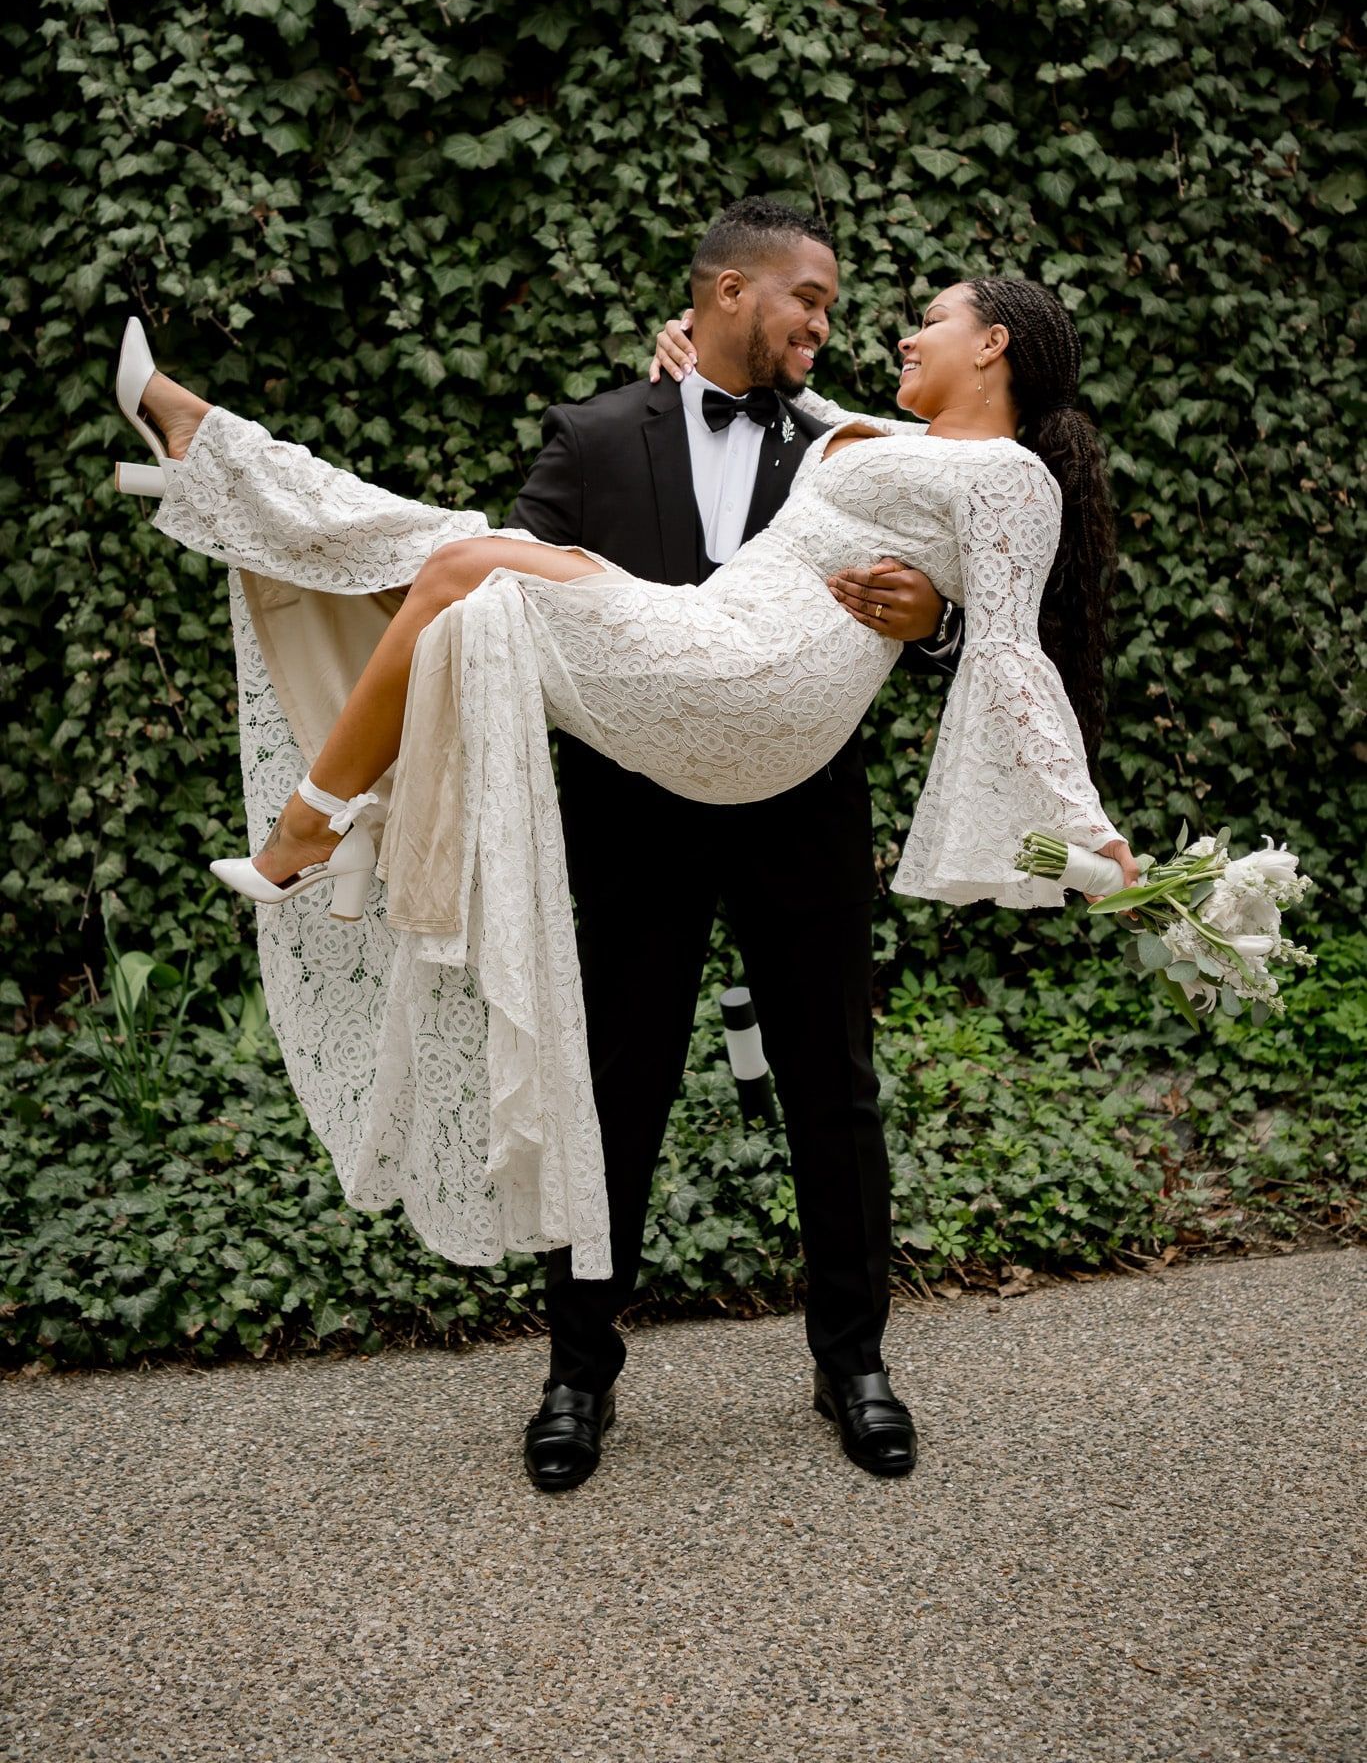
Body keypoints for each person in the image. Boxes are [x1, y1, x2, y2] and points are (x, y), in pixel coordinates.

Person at [116, 209, 1136, 1488]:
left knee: (833, 1093)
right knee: (608, 1085)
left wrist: (960, 652)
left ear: (989, 345)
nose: (842, 327)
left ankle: (855, 1365)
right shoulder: (614, 429)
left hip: (793, 786)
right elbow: (512, 599)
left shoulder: (919, 450)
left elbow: (1004, 643)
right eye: (809, 301)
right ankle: (577, 1375)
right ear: (726, 293)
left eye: (897, 314)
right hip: (639, 787)